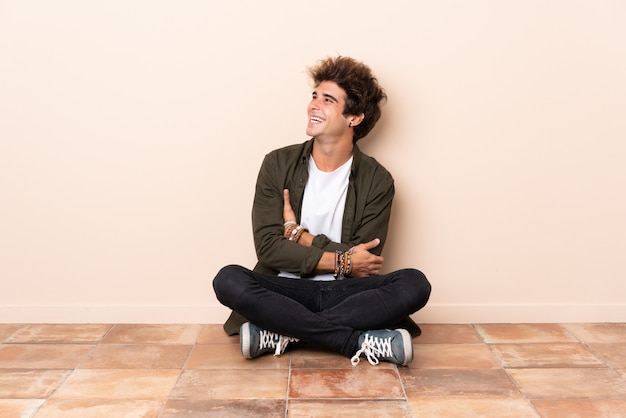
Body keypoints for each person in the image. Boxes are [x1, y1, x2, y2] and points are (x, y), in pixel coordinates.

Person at [213, 56, 431, 366]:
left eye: (328, 100)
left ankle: (282, 332)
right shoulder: (277, 164)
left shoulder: (377, 180)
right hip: (285, 290)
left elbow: (365, 263)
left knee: (415, 283)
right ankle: (352, 341)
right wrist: (342, 260)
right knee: (228, 279)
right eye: (314, 96)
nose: (314, 105)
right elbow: (268, 248)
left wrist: (300, 236)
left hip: (347, 293)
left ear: (354, 117)